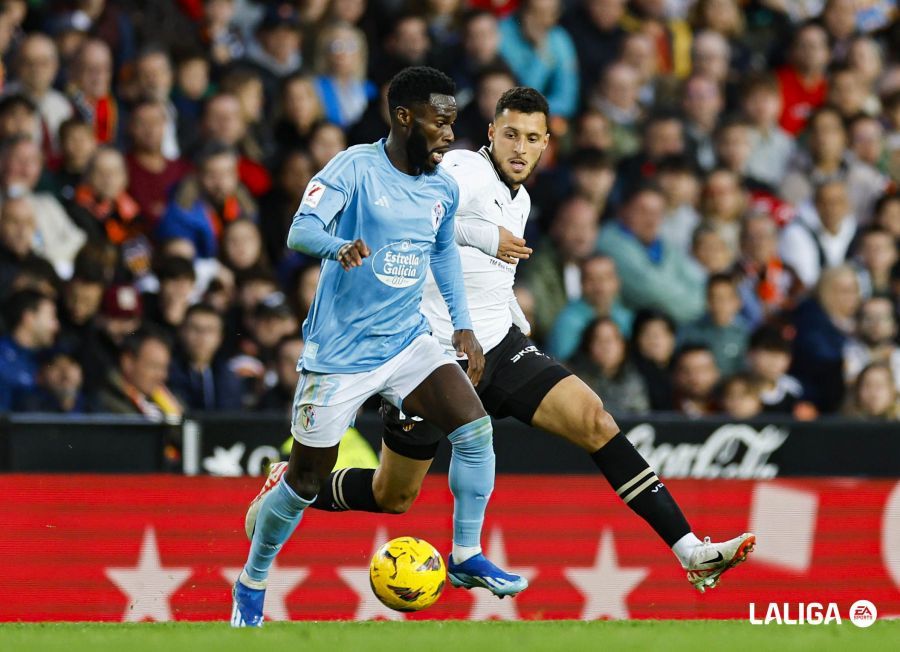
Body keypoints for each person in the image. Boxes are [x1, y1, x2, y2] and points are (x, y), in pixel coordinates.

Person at [302, 86, 754, 600]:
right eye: (511, 134)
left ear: (545, 146)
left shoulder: (521, 196)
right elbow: (416, 213)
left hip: (498, 345)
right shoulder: (462, 171)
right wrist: (482, 236)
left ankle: (690, 550)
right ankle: (297, 483)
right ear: (491, 134)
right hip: (429, 355)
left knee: (595, 421)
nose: (520, 147)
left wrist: (512, 306)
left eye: (532, 138)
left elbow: (484, 273)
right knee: (393, 495)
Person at [231, 67, 525, 628]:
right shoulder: (354, 167)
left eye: (453, 122)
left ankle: (464, 555)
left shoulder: (441, 185)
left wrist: (462, 325)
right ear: (404, 117)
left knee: (474, 427)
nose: (449, 134)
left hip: (407, 340)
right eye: (440, 123)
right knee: (307, 480)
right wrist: (338, 244)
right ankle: (253, 580)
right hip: (339, 355)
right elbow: (300, 229)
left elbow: (441, 254)